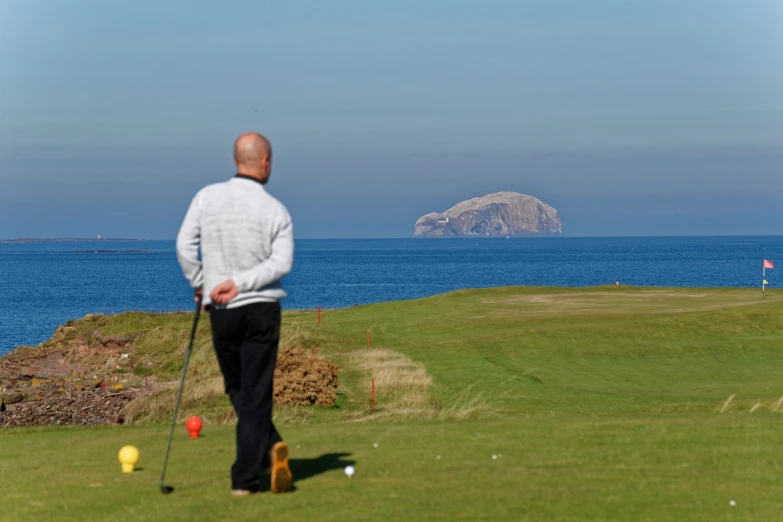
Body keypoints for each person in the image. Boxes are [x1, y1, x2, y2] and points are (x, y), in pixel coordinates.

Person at [175, 132, 294, 496]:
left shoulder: (206, 197)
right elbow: (281, 262)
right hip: (261, 308)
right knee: (253, 392)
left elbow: (183, 246)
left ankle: (251, 469)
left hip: (222, 309)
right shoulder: (276, 209)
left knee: (238, 388)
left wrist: (205, 282)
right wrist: (240, 283)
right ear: (265, 162)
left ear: (235, 161)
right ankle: (262, 457)